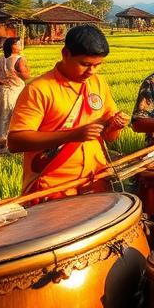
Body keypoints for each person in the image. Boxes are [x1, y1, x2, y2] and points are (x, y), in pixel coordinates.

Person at [8, 25, 129, 196]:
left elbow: (110, 138)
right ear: (65, 54)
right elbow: (15, 141)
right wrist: (72, 135)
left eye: (97, 65)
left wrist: (115, 125)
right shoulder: (39, 89)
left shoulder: (98, 83)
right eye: (85, 64)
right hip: (54, 186)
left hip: (95, 179)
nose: (91, 71)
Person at [0, 37, 31, 150]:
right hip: (15, 91)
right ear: (12, 47)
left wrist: (3, 81)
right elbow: (26, 77)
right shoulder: (20, 59)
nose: (20, 45)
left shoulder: (0, 58)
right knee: (11, 116)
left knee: (2, 115)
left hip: (1, 92)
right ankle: (6, 143)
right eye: (18, 44)